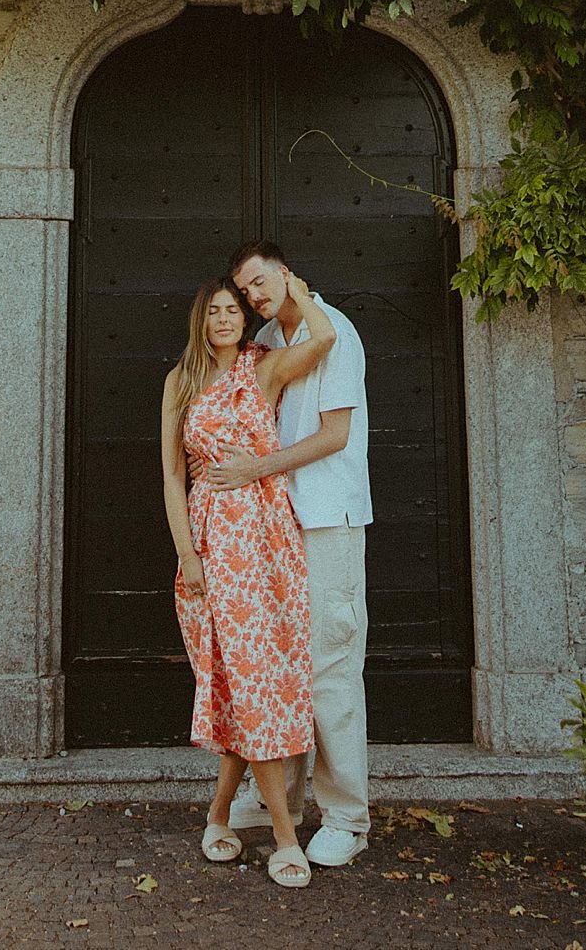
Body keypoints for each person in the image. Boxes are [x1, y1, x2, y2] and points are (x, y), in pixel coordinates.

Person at [161, 273, 337, 890]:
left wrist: (296, 290)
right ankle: (286, 837)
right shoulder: (180, 383)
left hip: (268, 539)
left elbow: (324, 337)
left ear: (245, 319)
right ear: (200, 320)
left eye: (233, 310)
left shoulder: (263, 370)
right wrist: (188, 554)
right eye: (213, 311)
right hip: (211, 543)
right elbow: (172, 479)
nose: (225, 319)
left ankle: (218, 814)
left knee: (257, 682)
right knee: (245, 683)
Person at [208, 241, 371, 868]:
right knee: (282, 665)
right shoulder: (273, 337)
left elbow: (335, 435)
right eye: (245, 290)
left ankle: (347, 816)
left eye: (259, 282)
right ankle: (287, 798)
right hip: (276, 525)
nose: (252, 296)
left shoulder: (340, 333)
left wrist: (255, 469)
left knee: (330, 666)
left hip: (328, 520)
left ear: (286, 273)